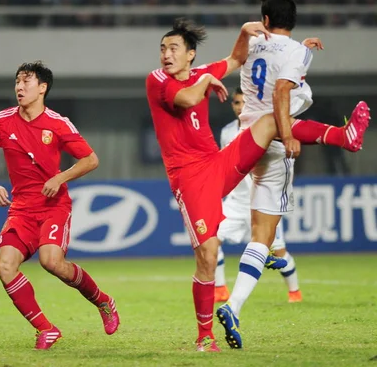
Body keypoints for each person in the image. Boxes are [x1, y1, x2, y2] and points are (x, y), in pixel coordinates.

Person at [145, 18, 370, 352]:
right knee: (208, 256)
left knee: (269, 122)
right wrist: (207, 77)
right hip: (189, 180)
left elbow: (236, 60)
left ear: (190, 54)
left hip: (216, 163)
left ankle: (343, 136)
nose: (166, 54)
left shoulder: (200, 71)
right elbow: (190, 99)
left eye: (173, 48)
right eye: (163, 48)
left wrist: (243, 33)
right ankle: (205, 337)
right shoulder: (157, 80)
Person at [216, 0, 371, 349]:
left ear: (265, 20)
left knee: (258, 236)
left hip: (244, 138)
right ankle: (341, 136)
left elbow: (242, 59)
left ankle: (233, 308)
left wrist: (247, 30)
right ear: (292, 21)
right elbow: (282, 91)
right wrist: (286, 135)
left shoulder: (254, 42)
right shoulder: (296, 51)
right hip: (271, 141)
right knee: (263, 236)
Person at [0, 61, 120, 350]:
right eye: (17, 82)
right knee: (3, 265)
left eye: (26, 82)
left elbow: (91, 159)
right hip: (21, 210)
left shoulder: (57, 123)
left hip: (53, 207)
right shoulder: (1, 121)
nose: (19, 87)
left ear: (42, 88)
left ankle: (103, 300)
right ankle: (46, 328)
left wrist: (60, 177)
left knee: (52, 263)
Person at [215, 87, 302, 304]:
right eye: (236, 103)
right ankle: (220, 290)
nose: (240, 107)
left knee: (279, 252)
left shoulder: (267, 127)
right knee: (211, 238)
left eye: (245, 102)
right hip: (236, 202)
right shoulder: (227, 132)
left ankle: (294, 292)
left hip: (262, 202)